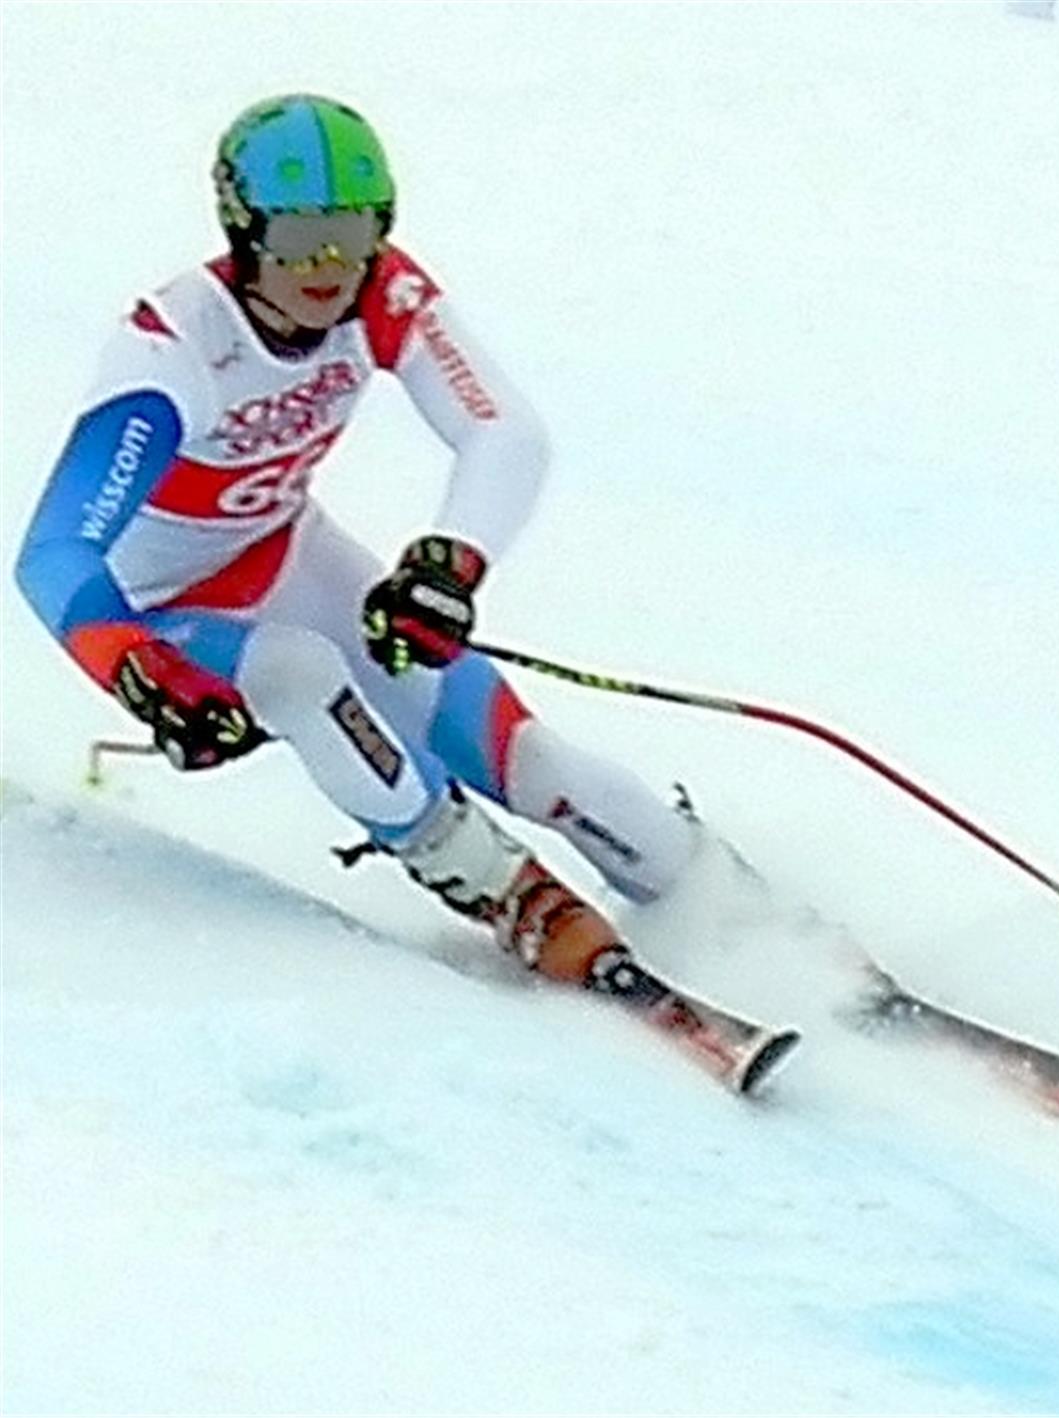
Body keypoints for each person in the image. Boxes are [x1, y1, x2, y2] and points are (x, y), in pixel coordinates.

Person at [14, 94, 705, 993]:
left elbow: (506, 435)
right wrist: (141, 668)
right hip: (164, 615)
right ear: (243, 229)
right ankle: (493, 883)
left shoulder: (382, 290)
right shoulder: (175, 349)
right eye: (299, 241)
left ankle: (719, 899)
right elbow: (54, 554)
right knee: (302, 672)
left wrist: (448, 564)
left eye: (352, 233)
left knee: (530, 761)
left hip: (285, 556)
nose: (329, 267)